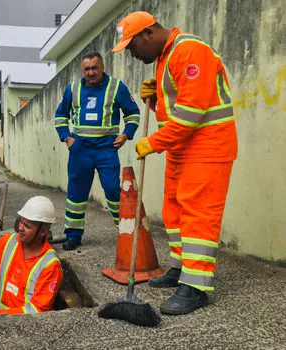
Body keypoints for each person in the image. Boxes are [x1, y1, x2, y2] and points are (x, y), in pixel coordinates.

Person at [111, 11, 237, 315]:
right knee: (174, 210)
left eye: (132, 47)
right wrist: (156, 100)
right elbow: (175, 111)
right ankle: (181, 269)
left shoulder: (189, 51)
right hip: (183, 148)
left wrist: (152, 143)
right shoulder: (165, 58)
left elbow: (191, 115)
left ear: (148, 34)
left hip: (207, 147)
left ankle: (196, 286)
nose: (131, 54)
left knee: (197, 215)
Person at [55, 51, 141, 251]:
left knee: (112, 190)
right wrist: (67, 138)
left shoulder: (116, 87)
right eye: (87, 69)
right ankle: (73, 235)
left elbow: (133, 113)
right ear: (82, 70)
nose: (91, 72)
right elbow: (60, 115)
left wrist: (126, 134)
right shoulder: (73, 89)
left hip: (106, 149)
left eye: (95, 68)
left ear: (102, 68)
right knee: (76, 193)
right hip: (80, 150)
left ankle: (125, 231)